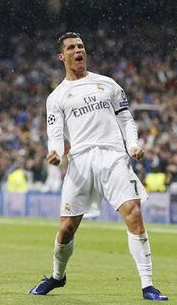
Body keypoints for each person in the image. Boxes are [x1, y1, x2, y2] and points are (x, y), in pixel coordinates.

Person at [28, 32, 168, 301]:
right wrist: (54, 154)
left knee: (134, 212)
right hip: (80, 161)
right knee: (67, 228)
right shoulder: (56, 97)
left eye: (81, 46)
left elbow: (126, 119)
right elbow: (55, 135)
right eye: (71, 47)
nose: (78, 50)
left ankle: (148, 285)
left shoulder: (108, 84)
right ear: (62, 56)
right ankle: (58, 276)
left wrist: (132, 146)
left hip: (113, 156)